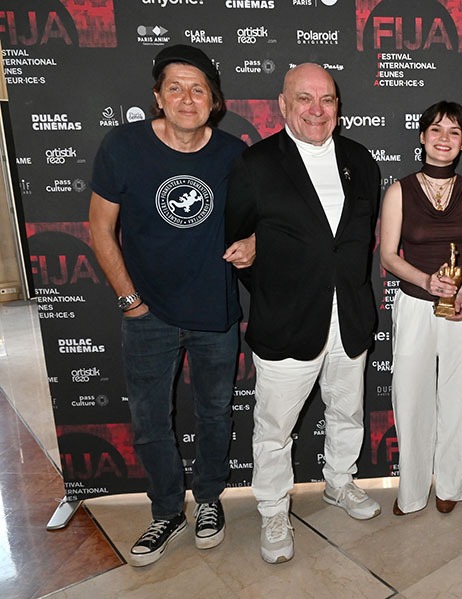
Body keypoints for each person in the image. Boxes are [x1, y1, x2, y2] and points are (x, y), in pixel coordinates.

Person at [89, 44, 254, 566]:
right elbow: (100, 228)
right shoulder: (123, 146)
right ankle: (165, 510)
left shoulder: (233, 154)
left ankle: (208, 500)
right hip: (148, 316)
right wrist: (130, 301)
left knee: (215, 412)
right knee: (149, 421)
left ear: (215, 101)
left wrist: (253, 243)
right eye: (175, 88)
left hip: (215, 313)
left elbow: (258, 218)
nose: (187, 98)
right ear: (158, 96)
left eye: (198, 89)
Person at [225, 63, 382, 564]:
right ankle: (273, 510)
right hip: (286, 320)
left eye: (327, 99)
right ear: (283, 105)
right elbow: (239, 246)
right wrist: (278, 288)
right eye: (305, 99)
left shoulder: (361, 160)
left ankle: (340, 481)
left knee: (347, 412)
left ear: (338, 105)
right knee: (274, 429)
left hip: (349, 318)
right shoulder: (256, 163)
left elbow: (357, 240)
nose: (317, 109)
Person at [379, 101, 462, 516]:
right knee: (411, 398)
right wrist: (426, 281)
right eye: (436, 129)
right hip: (414, 306)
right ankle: (411, 490)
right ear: (422, 136)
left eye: (454, 132)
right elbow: (388, 255)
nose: (444, 138)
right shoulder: (399, 191)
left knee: (461, 398)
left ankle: (453, 484)